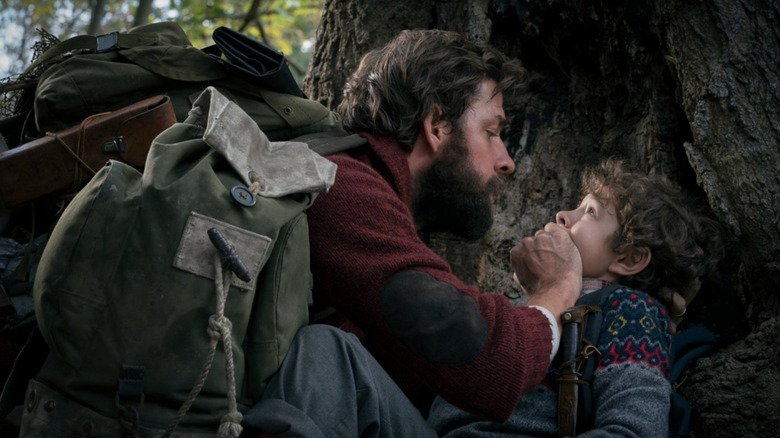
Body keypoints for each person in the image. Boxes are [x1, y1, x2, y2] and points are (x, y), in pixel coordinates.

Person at [240, 28, 585, 436]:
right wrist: (556, 290)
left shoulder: (370, 195)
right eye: (491, 133)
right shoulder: (341, 188)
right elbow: (489, 361)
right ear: (437, 125)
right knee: (326, 354)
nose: (506, 161)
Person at [426, 158, 724, 437]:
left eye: (590, 212)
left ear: (630, 258)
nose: (562, 216)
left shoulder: (632, 311)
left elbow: (633, 430)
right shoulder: (548, 304)